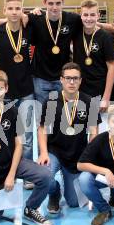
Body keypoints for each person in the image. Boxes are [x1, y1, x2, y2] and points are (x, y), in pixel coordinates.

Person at [0, 70, 52, 225]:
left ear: (6, 88)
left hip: (13, 164)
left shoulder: (12, 111)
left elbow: (19, 144)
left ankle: (31, 208)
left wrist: (11, 175)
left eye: (0, 88)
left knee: (46, 175)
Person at [38, 62, 101, 214]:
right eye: (68, 78)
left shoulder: (88, 102)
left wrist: (88, 156)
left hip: (77, 156)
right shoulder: (51, 100)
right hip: (55, 152)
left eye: (75, 78)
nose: (71, 82)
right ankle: (54, 193)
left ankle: (67, 186)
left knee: (73, 202)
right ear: (61, 80)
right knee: (43, 176)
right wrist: (44, 152)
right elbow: (42, 129)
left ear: (80, 80)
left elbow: (94, 133)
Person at [0, 0, 35, 161]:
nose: (14, 12)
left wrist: (35, 12)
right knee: (5, 133)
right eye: (10, 9)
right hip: (4, 91)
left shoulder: (29, 29)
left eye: (18, 8)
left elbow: (41, 17)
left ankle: (27, 169)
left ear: (22, 10)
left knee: (27, 135)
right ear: (4, 10)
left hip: (27, 89)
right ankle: (7, 169)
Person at [28, 0, 83, 104]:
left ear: (63, 1)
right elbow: (14, 20)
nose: (54, 7)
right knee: (42, 117)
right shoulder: (35, 18)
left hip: (63, 78)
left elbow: (93, 24)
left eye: (58, 3)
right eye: (51, 3)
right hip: (40, 78)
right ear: (44, 3)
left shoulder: (73, 19)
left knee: (63, 117)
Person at [72, 0, 114, 114]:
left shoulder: (105, 37)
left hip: (100, 91)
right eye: (85, 15)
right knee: (81, 129)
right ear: (80, 16)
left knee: (100, 131)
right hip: (80, 91)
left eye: (92, 15)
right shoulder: (75, 33)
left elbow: (112, 67)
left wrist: (106, 98)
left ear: (98, 16)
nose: (89, 18)